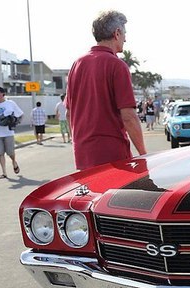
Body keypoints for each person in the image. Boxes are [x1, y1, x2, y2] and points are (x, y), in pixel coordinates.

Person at [66, 10, 146, 170]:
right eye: (124, 33)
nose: (126, 38)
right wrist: (144, 154)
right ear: (117, 33)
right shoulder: (117, 65)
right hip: (112, 156)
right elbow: (129, 117)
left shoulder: (77, 64)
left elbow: (69, 113)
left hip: (83, 156)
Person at [0, 86, 23, 179]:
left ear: (3, 93)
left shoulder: (10, 103)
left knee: (10, 153)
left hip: (8, 133)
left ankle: (14, 162)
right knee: (0, 153)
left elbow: (20, 114)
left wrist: (14, 122)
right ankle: (4, 173)